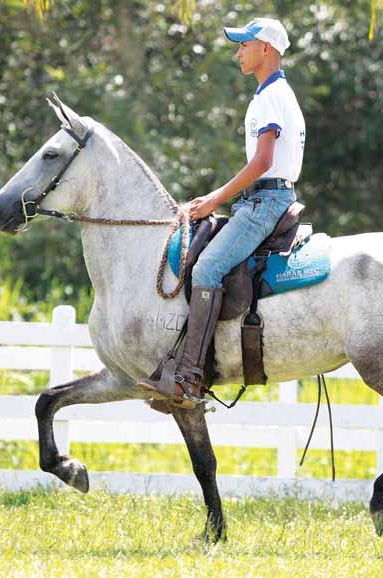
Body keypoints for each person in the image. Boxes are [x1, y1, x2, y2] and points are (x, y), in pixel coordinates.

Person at [140, 17, 306, 408]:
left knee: (207, 269)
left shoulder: (270, 97)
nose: (238, 52)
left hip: (265, 201)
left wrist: (214, 200)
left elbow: (263, 161)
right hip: (264, 198)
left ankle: (188, 379)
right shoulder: (273, 94)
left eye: (244, 45)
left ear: (266, 48)